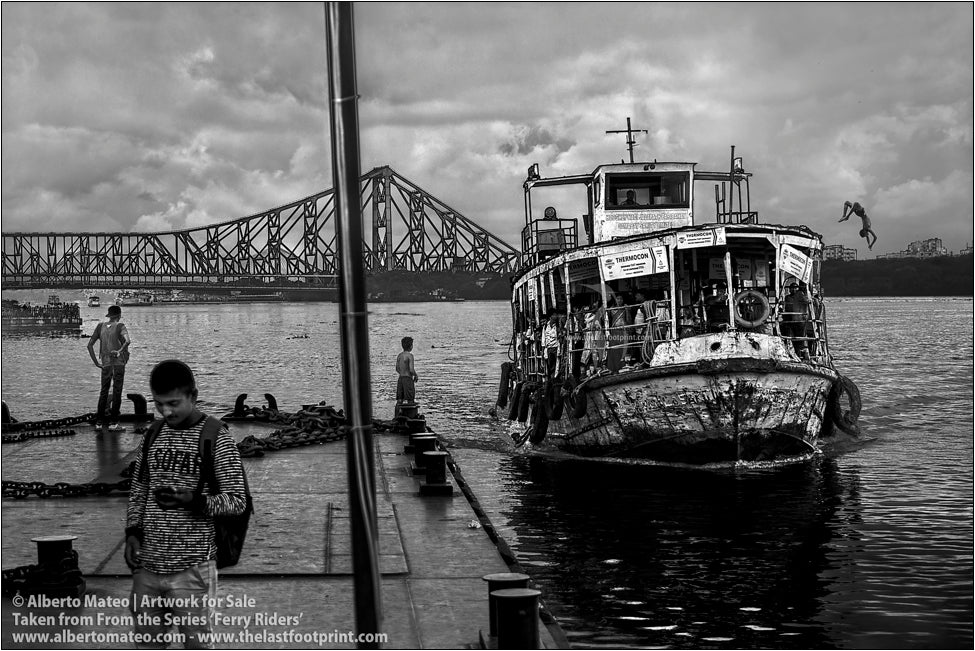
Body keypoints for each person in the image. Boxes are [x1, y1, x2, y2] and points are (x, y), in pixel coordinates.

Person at [125, 359, 247, 649]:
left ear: (193, 395)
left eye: (173, 403)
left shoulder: (216, 437)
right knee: (147, 644)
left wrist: (197, 501)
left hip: (193, 571)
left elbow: (237, 501)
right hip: (148, 567)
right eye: (158, 404)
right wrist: (132, 531)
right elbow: (140, 488)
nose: (166, 411)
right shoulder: (153, 434)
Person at [87, 304, 131, 431]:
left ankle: (99, 423)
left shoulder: (100, 326)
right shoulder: (120, 326)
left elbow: (89, 345)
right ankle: (114, 423)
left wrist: (96, 362)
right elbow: (127, 341)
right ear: (119, 315)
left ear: (109, 315)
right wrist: (119, 350)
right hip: (118, 363)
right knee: (117, 391)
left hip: (105, 363)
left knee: (104, 391)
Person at [782, 282, 811, 356]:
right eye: (792, 288)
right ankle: (793, 351)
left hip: (799, 320)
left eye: (795, 288)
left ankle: (799, 353)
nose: (793, 290)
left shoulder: (800, 296)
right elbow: (786, 307)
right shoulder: (787, 297)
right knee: (791, 337)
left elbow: (807, 301)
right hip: (790, 320)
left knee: (799, 338)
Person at [396, 336, 419, 405]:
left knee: (399, 400)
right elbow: (411, 369)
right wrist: (416, 375)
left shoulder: (399, 355)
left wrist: (402, 373)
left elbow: (397, 369)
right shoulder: (410, 356)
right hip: (408, 379)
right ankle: (410, 414)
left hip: (400, 379)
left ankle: (397, 414)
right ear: (411, 346)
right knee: (410, 399)